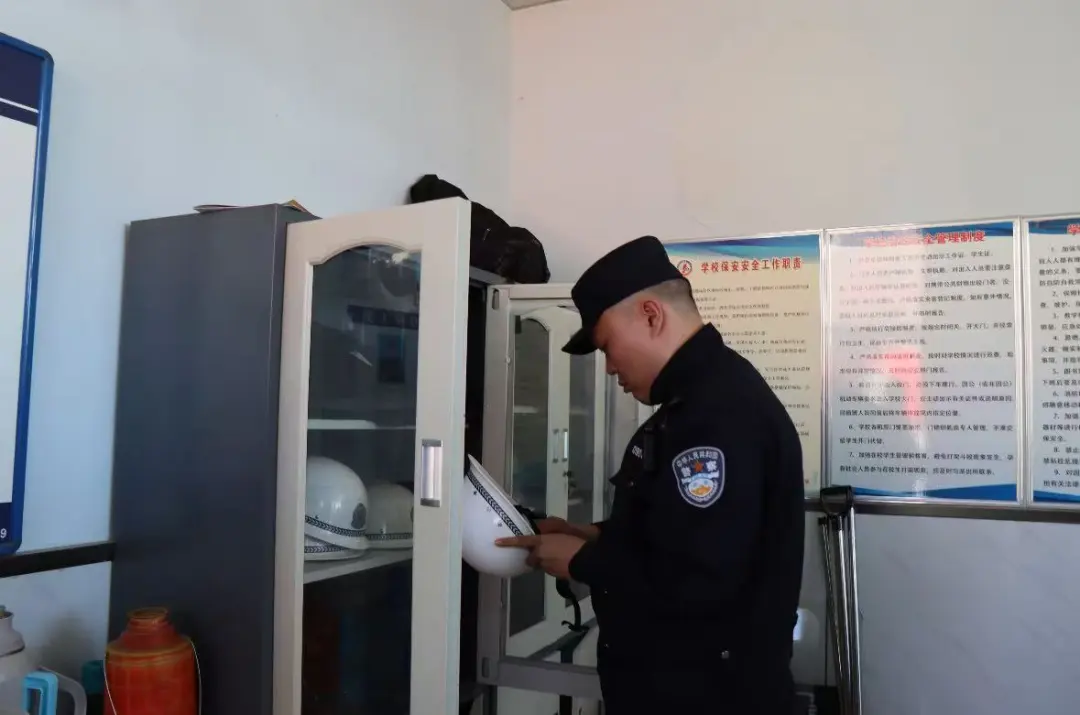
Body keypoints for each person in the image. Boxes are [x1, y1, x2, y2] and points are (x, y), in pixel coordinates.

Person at [496, 235, 806, 714]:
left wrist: (584, 562)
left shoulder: (719, 415)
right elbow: (678, 532)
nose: (609, 367)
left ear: (651, 315)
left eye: (607, 346)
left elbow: (703, 578)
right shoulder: (695, 404)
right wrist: (589, 534)